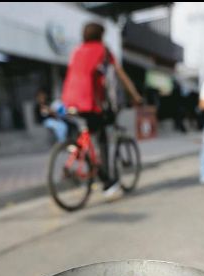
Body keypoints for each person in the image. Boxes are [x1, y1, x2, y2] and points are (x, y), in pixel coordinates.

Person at [61, 22, 143, 198]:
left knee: (86, 134)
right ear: (100, 35)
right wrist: (135, 95)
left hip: (69, 99)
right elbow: (120, 75)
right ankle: (108, 184)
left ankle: (78, 155)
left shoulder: (77, 50)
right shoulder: (102, 50)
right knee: (102, 140)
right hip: (89, 101)